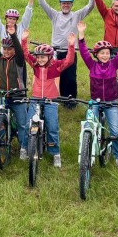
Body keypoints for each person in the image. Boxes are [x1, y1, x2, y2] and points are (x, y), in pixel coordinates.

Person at [76, 20, 118, 176]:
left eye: (107, 53)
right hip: (95, 102)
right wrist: (81, 35)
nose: (105, 55)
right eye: (102, 53)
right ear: (96, 55)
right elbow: (83, 51)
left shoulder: (114, 64)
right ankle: (87, 154)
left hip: (111, 103)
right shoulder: (92, 65)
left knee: (115, 131)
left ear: (111, 55)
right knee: (89, 127)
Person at [35, 0, 97, 101]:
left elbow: (90, 6)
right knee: (57, 75)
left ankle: (71, 99)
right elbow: (42, 4)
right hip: (55, 52)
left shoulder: (76, 15)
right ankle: (59, 98)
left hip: (70, 51)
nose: (66, 5)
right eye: (63, 3)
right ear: (60, 4)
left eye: (68, 3)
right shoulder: (54, 15)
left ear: (72, 5)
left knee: (70, 77)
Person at [21, 29, 75, 168]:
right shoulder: (35, 65)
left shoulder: (56, 66)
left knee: (52, 127)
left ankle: (55, 153)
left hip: (51, 100)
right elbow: (26, 54)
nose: (40, 59)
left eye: (43, 57)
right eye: (38, 57)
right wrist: (24, 40)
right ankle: (25, 147)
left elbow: (69, 60)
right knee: (28, 123)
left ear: (50, 57)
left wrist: (70, 45)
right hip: (35, 98)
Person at [0, 19, 29, 159]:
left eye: (9, 49)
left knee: (23, 124)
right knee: (0, 121)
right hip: (3, 94)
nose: (6, 51)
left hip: (18, 96)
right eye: (4, 49)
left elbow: (19, 48)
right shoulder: (0, 59)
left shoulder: (19, 60)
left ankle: (24, 147)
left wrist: (13, 36)